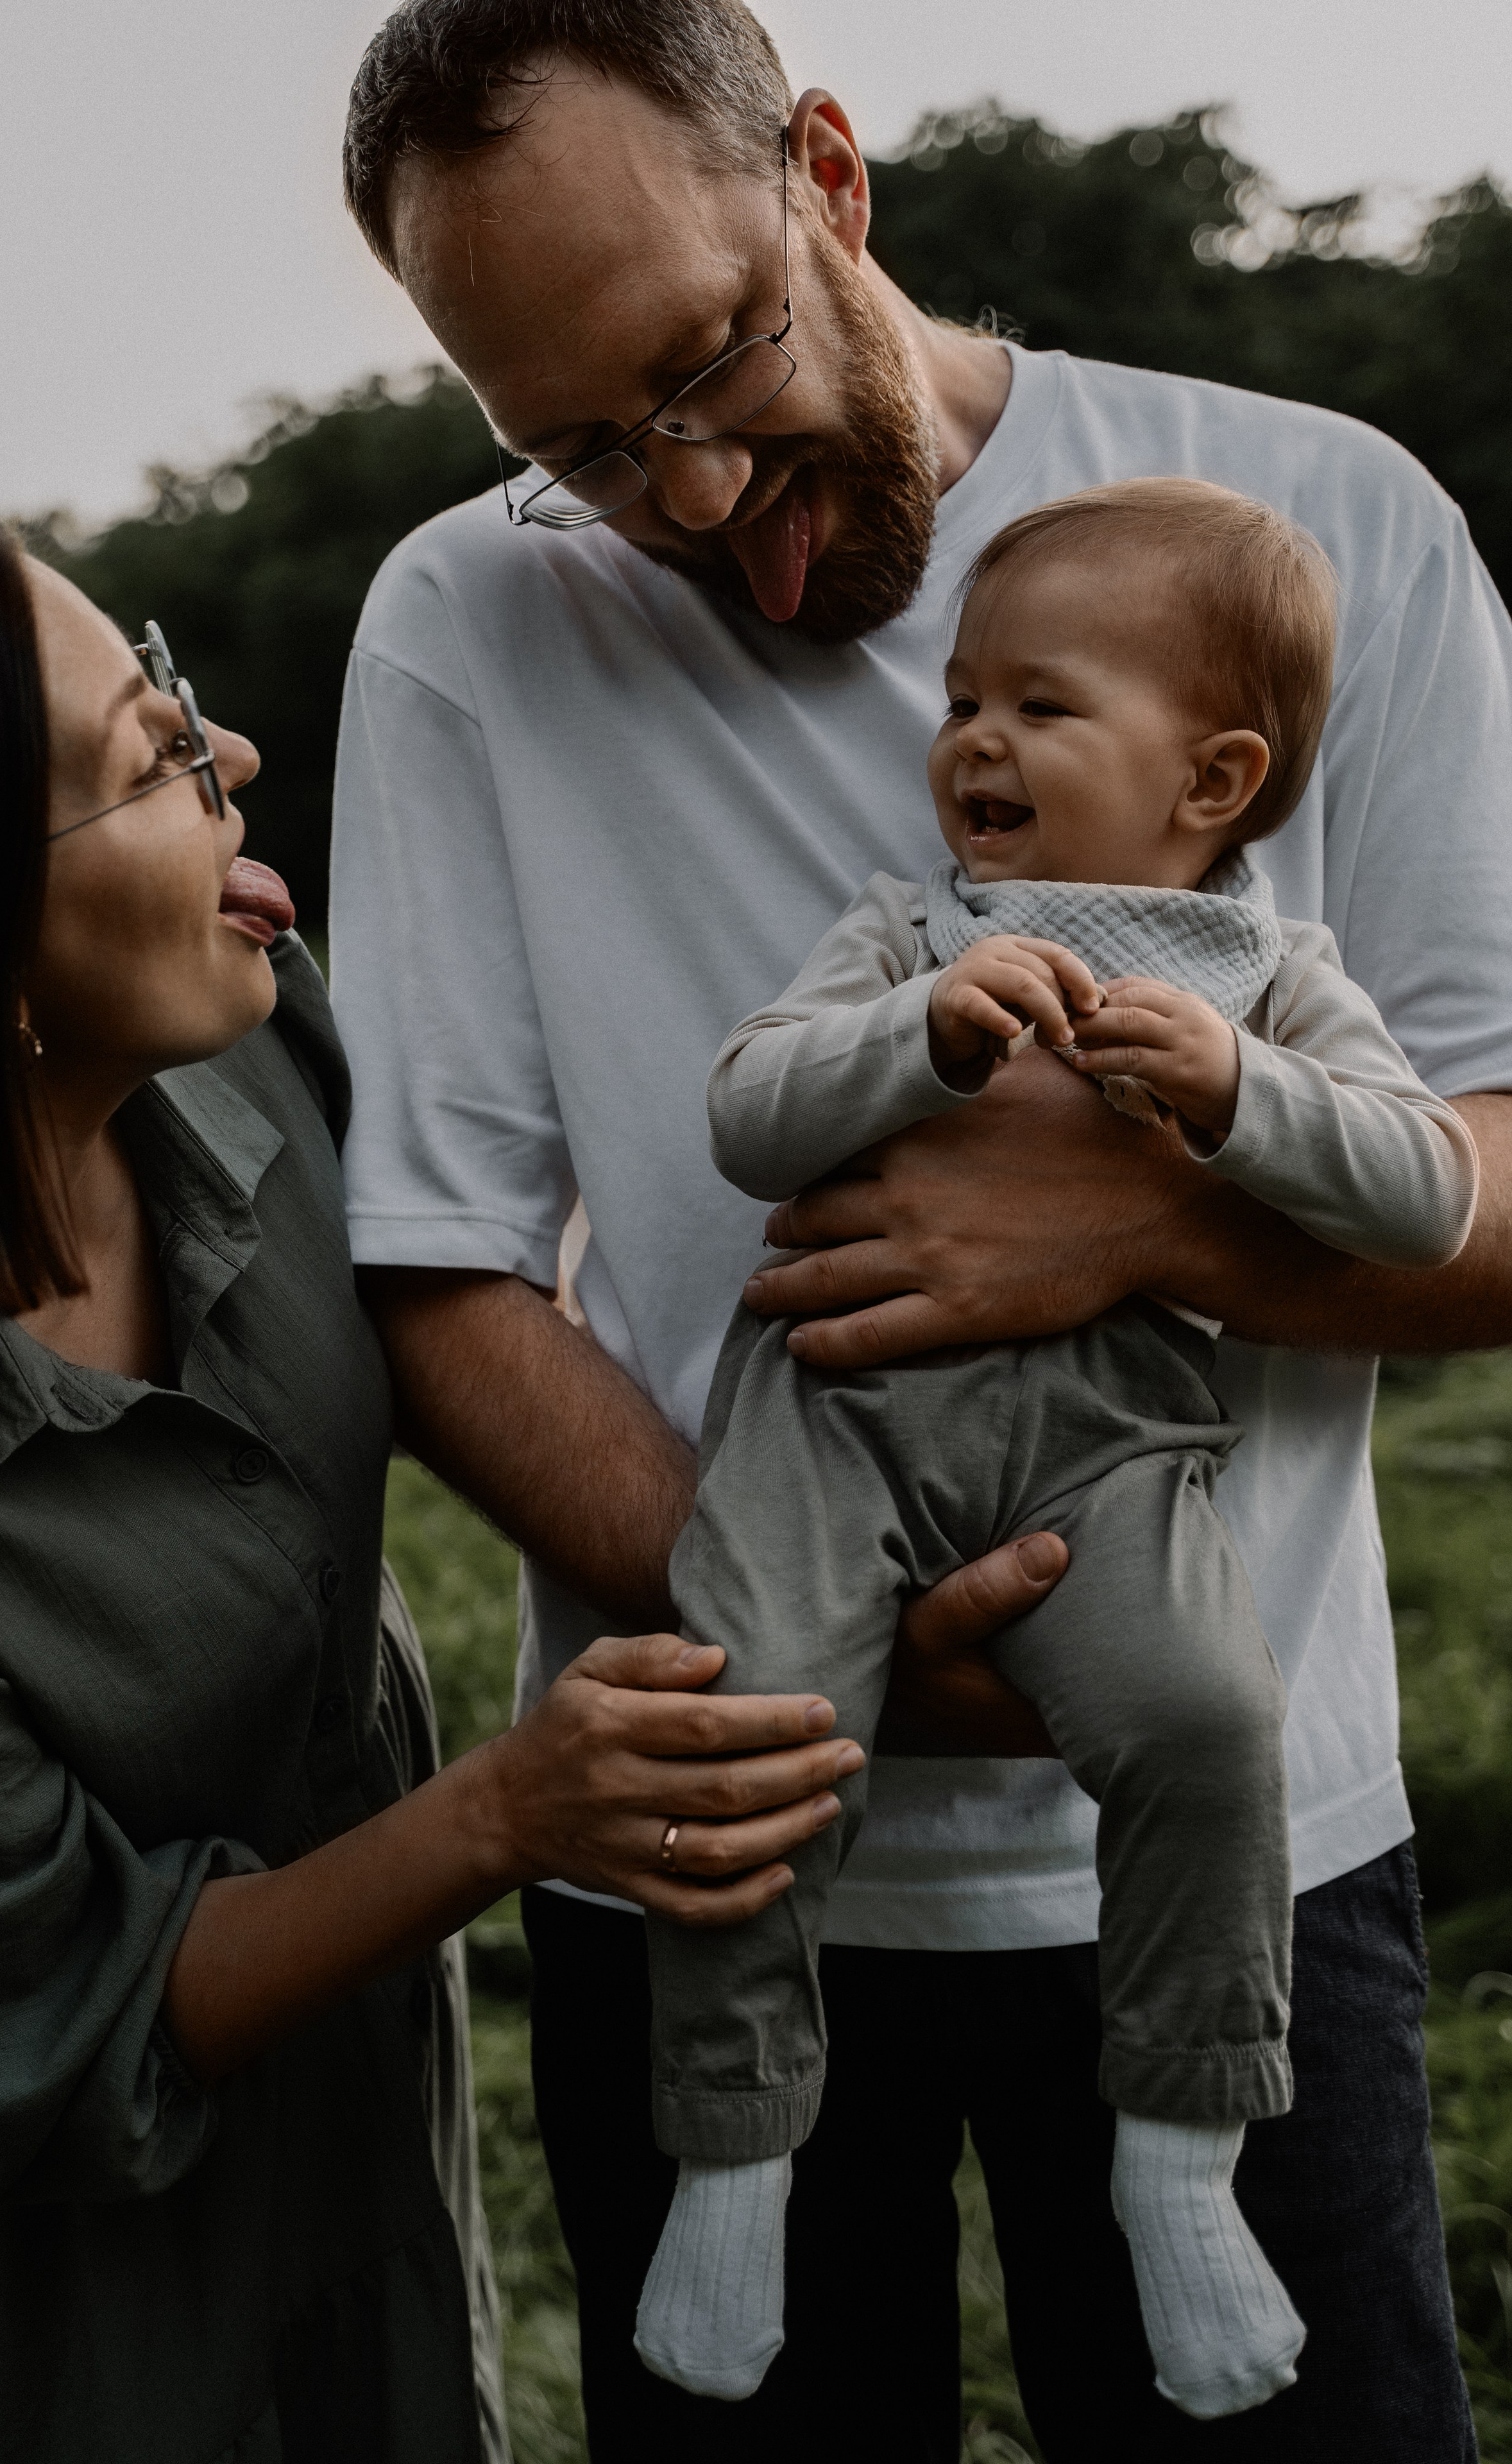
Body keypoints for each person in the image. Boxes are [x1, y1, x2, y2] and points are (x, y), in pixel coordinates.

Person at [330, 5, 1512, 2456]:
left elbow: (1500, 1178)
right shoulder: (464, 619)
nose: (678, 494)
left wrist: (1125, 1229)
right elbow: (442, 1267)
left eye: (704, 360)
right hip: (715, 1826)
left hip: (1237, 1835)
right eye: (572, 443)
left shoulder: (1323, 522)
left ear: (832, 178)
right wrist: (812, 1649)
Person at [0, 502, 992, 2463]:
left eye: (180, 701)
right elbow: (77, 2013)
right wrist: (508, 1810)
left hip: (369, 2122)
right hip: (31, 2279)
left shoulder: (253, 1057)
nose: (233, 763)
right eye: (150, 761)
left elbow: (507, 1276)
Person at [633, 479, 1477, 2421]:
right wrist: (918, 1031)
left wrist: (1239, 1093)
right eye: (961, 702)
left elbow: (1431, 1197)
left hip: (1109, 1452)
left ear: (1217, 773)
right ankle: (736, 2148)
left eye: (1041, 704)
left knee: (1204, 1725)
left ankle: (1181, 2165)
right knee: (743, 1722)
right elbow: (753, 1112)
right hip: (830, 1418)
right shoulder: (907, 924)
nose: (974, 742)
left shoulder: (1271, 968)